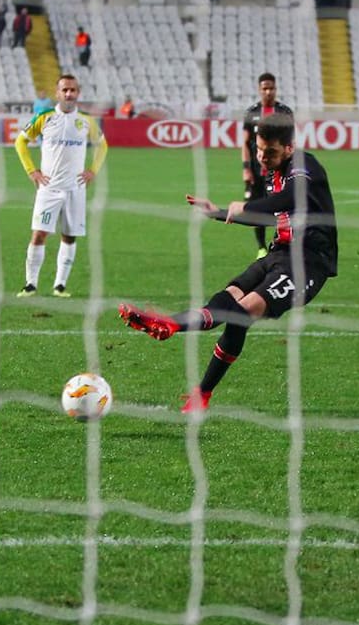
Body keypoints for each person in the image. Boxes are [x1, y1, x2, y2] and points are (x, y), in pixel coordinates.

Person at [118, 114, 337, 414]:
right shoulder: (271, 172)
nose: (262, 157)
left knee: (241, 312)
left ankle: (172, 326)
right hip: (279, 254)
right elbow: (268, 214)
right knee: (230, 296)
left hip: (308, 263)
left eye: (270, 152)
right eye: (259, 150)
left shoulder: (303, 165)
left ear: (289, 148)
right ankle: (193, 376)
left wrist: (245, 205)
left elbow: (294, 197)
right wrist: (217, 212)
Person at [14, 74, 108, 299]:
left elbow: (102, 145)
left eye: (72, 90)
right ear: (57, 93)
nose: (68, 93)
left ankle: (60, 285)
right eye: (64, 90)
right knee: (39, 234)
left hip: (75, 189)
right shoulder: (45, 117)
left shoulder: (86, 121)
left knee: (69, 236)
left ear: (78, 93)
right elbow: (20, 142)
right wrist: (32, 170)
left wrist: (93, 170)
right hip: (49, 188)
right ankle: (30, 284)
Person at [240, 72, 294, 259]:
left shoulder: (285, 112)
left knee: (283, 207)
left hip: (280, 170)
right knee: (257, 208)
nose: (268, 92)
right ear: (259, 90)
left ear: (276, 89)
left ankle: (284, 242)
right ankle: (262, 247)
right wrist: (246, 168)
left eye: (271, 88)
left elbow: (290, 142)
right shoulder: (252, 113)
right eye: (265, 88)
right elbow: (245, 143)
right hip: (257, 171)